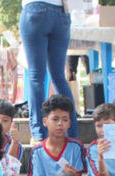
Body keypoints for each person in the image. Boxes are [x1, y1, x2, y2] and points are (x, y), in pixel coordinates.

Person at [19, 0, 78, 142]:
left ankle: (39, 134)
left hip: (35, 8)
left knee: (36, 77)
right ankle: (72, 132)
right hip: (61, 11)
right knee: (59, 77)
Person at [28, 95, 86, 176]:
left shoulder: (76, 147)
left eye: (65, 119)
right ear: (45, 121)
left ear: (69, 123)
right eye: (55, 119)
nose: (60, 123)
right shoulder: (37, 152)